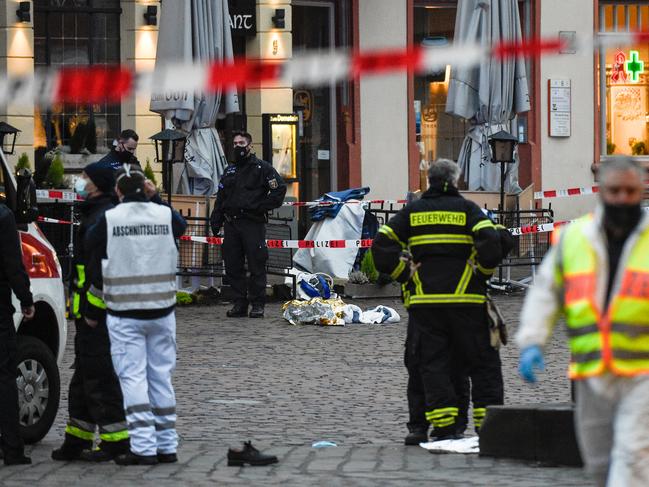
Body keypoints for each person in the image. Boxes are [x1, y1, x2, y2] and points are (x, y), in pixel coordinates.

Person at [517, 156, 649, 486]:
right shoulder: (575, 238)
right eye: (615, 190)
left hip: (642, 372)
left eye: (630, 191)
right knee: (598, 462)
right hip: (592, 372)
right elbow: (546, 292)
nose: (622, 198)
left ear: (641, 191)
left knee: (633, 455)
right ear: (601, 190)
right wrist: (532, 341)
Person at [372, 159, 512, 442]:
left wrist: (406, 275)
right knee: (483, 364)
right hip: (467, 302)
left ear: (429, 180)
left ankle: (444, 426)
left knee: (433, 365)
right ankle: (490, 428)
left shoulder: (413, 211)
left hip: (426, 304)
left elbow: (381, 245)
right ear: (457, 180)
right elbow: (493, 242)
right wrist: (480, 274)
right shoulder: (469, 210)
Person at [86, 164, 186, 465]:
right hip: (162, 310)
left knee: (132, 378)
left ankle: (143, 448)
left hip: (125, 312)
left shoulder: (110, 218)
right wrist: (156, 200)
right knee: (160, 377)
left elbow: (90, 244)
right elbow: (181, 226)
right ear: (147, 188)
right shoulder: (164, 214)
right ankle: (167, 445)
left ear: (117, 192)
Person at [51, 161, 129, 462]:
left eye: (84, 177)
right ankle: (77, 439)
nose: (80, 181)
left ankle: (116, 441)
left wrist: (93, 312)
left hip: (97, 315)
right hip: (88, 314)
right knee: (84, 377)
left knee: (101, 378)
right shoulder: (98, 213)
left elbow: (100, 274)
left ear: (96, 183)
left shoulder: (102, 218)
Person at [210, 132, 287, 319]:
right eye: (235, 143)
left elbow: (279, 189)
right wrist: (216, 218)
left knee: (256, 264)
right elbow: (221, 197)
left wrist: (261, 207)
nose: (238, 146)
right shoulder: (230, 170)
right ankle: (239, 303)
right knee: (233, 265)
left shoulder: (262, 168)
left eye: (241, 143)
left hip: (253, 223)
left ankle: (258, 304)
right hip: (232, 224)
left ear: (250, 145)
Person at [0, 200, 34, 466]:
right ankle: (11, 449)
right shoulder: (3, 216)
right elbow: (13, 264)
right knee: (4, 377)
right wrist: (26, 298)